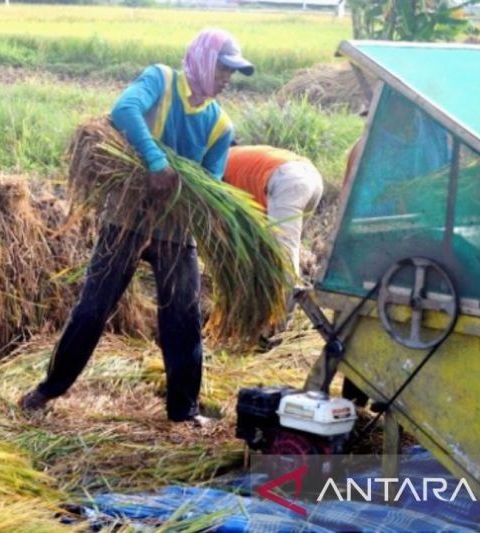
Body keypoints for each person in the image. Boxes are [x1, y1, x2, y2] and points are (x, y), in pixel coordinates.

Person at [19, 29, 254, 424]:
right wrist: (156, 162)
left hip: (176, 231)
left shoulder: (220, 126)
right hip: (126, 218)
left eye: (233, 72)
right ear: (202, 60)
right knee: (93, 308)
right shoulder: (161, 80)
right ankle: (49, 389)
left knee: (182, 320)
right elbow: (123, 111)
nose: (228, 78)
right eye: (223, 68)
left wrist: (184, 197)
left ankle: (184, 411)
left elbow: (209, 186)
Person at [223, 144, 324, 331]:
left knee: (282, 258)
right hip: (310, 178)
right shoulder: (243, 158)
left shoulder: (218, 163)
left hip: (287, 181)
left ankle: (277, 330)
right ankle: (271, 318)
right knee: (283, 252)